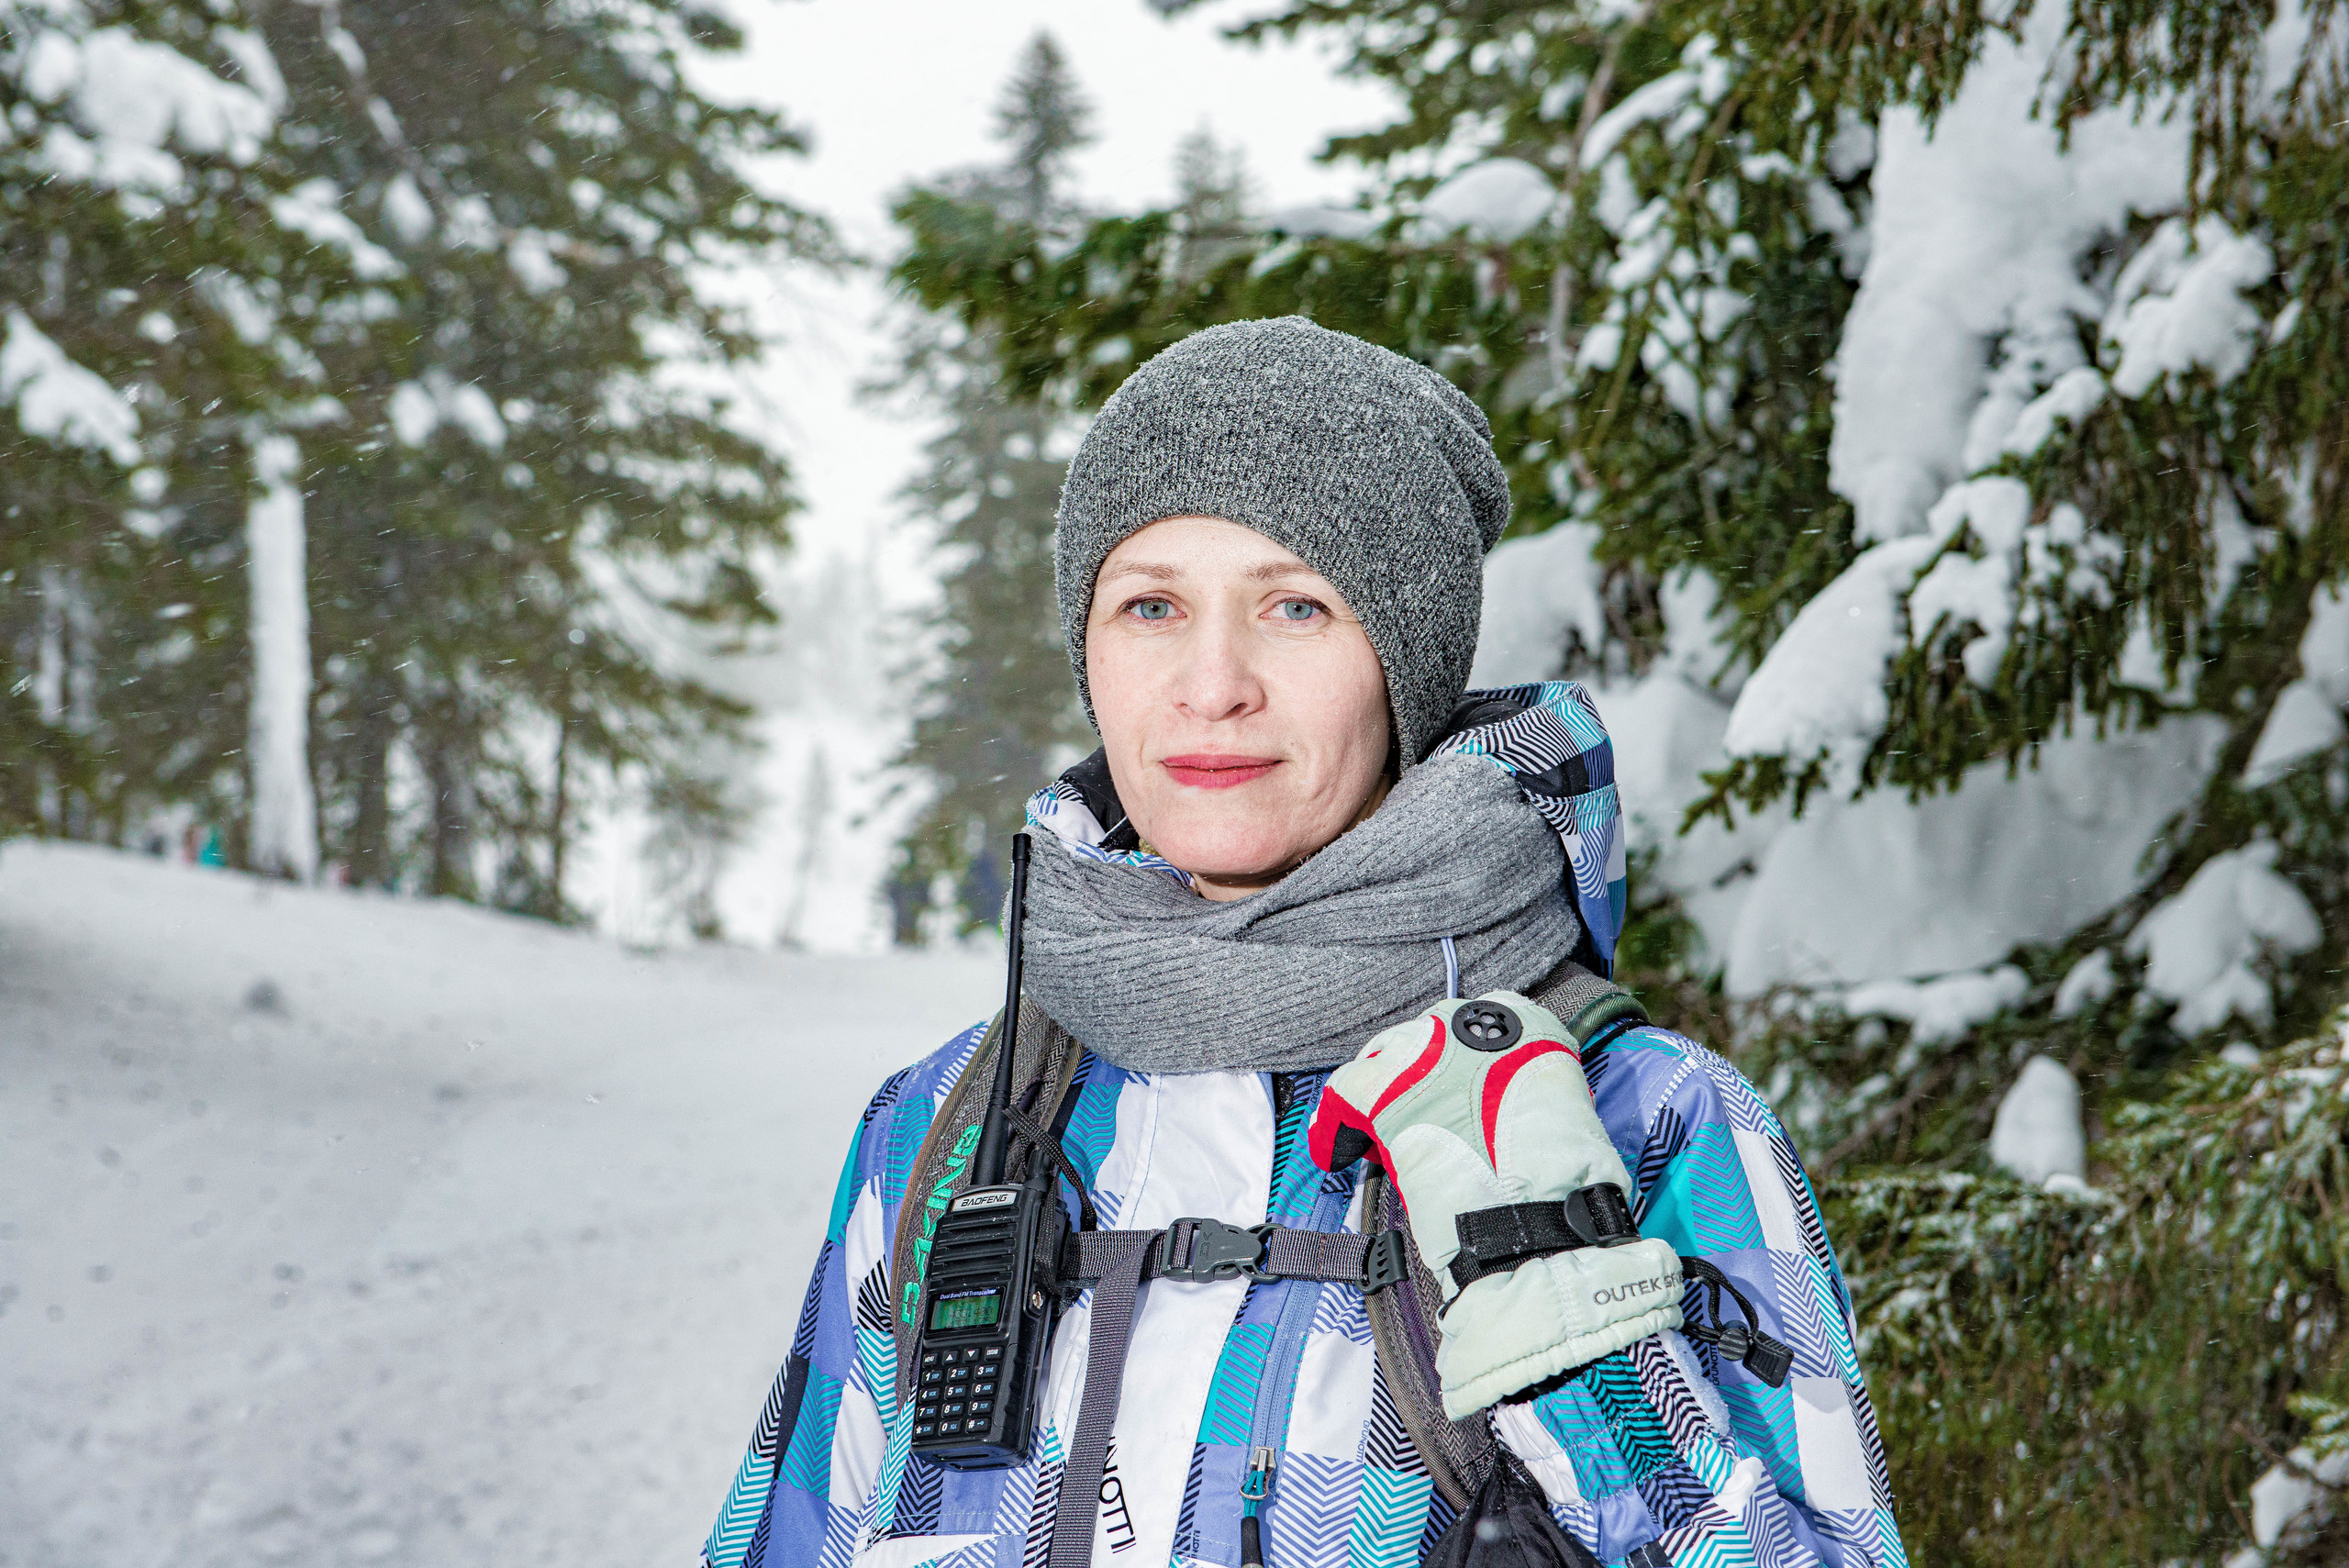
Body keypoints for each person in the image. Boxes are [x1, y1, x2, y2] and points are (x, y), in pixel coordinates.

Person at [703, 318, 1900, 1568]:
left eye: (1294, 604)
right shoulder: (946, 1121)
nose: (1212, 682)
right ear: (1091, 652)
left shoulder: (1648, 1120)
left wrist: (1586, 1354)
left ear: (1402, 663)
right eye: (1152, 603)